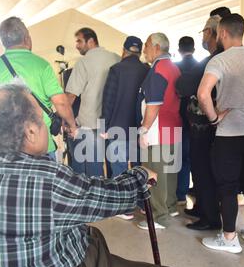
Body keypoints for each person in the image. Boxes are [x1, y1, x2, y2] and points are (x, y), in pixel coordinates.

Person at [0, 83, 186, 267]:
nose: (48, 126)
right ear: (31, 132)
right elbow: (107, 198)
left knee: (93, 237)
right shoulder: (44, 180)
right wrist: (139, 177)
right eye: (43, 121)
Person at [198, 14, 244, 254]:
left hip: (229, 134)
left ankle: (229, 238)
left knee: (227, 186)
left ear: (223, 33)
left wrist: (214, 117)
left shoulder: (220, 60)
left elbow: (203, 93)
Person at [0, 17, 77, 161]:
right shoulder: (41, 66)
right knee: (45, 183)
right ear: (26, 38)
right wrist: (72, 126)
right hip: (39, 147)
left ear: (4, 42)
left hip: (0, 148)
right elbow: (61, 102)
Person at [176, 15, 223, 232]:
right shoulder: (209, 59)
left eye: (204, 31)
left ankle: (210, 217)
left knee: (205, 171)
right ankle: (203, 208)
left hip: (206, 127)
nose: (203, 36)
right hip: (201, 127)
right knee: (199, 169)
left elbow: (184, 85)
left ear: (213, 33)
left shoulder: (214, 60)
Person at [137, 33, 182, 230]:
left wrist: (144, 130)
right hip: (173, 127)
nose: (144, 50)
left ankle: (158, 216)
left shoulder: (158, 69)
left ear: (156, 47)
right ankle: (170, 206)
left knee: (153, 172)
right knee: (169, 172)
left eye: (146, 45)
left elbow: (153, 104)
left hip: (157, 129)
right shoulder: (173, 67)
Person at [101, 36, 149, 220]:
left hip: (118, 126)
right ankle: (142, 203)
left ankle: (125, 208)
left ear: (124, 50)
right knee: (138, 166)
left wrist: (104, 126)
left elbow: (109, 99)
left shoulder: (117, 70)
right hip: (139, 127)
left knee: (120, 166)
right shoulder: (147, 70)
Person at [65, 27, 120, 177]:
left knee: (89, 167)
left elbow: (70, 96)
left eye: (79, 41)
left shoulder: (83, 62)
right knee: (111, 165)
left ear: (91, 41)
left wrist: (65, 119)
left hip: (90, 123)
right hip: (113, 123)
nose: (76, 45)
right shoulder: (116, 58)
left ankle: (91, 198)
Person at [175, 36, 198, 206]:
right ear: (194, 48)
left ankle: (181, 194)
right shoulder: (202, 66)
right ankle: (198, 190)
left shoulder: (176, 67)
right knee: (197, 158)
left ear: (179, 50)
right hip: (198, 118)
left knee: (181, 158)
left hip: (179, 117)